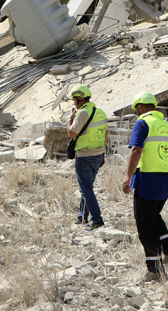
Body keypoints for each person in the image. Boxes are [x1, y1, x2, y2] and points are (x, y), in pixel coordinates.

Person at [121, 92, 168, 282]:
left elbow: (136, 149)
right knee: (153, 217)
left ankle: (154, 270)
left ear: (140, 108)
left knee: (145, 225)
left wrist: (127, 176)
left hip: (147, 179)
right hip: (166, 179)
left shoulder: (142, 123)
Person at [67, 84, 108, 230]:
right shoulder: (100, 112)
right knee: (87, 187)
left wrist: (70, 120)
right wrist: (103, 154)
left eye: (74, 100)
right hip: (98, 155)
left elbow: (71, 134)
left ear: (79, 99)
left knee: (85, 189)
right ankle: (82, 216)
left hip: (84, 156)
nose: (73, 103)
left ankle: (97, 219)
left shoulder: (82, 113)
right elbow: (105, 134)